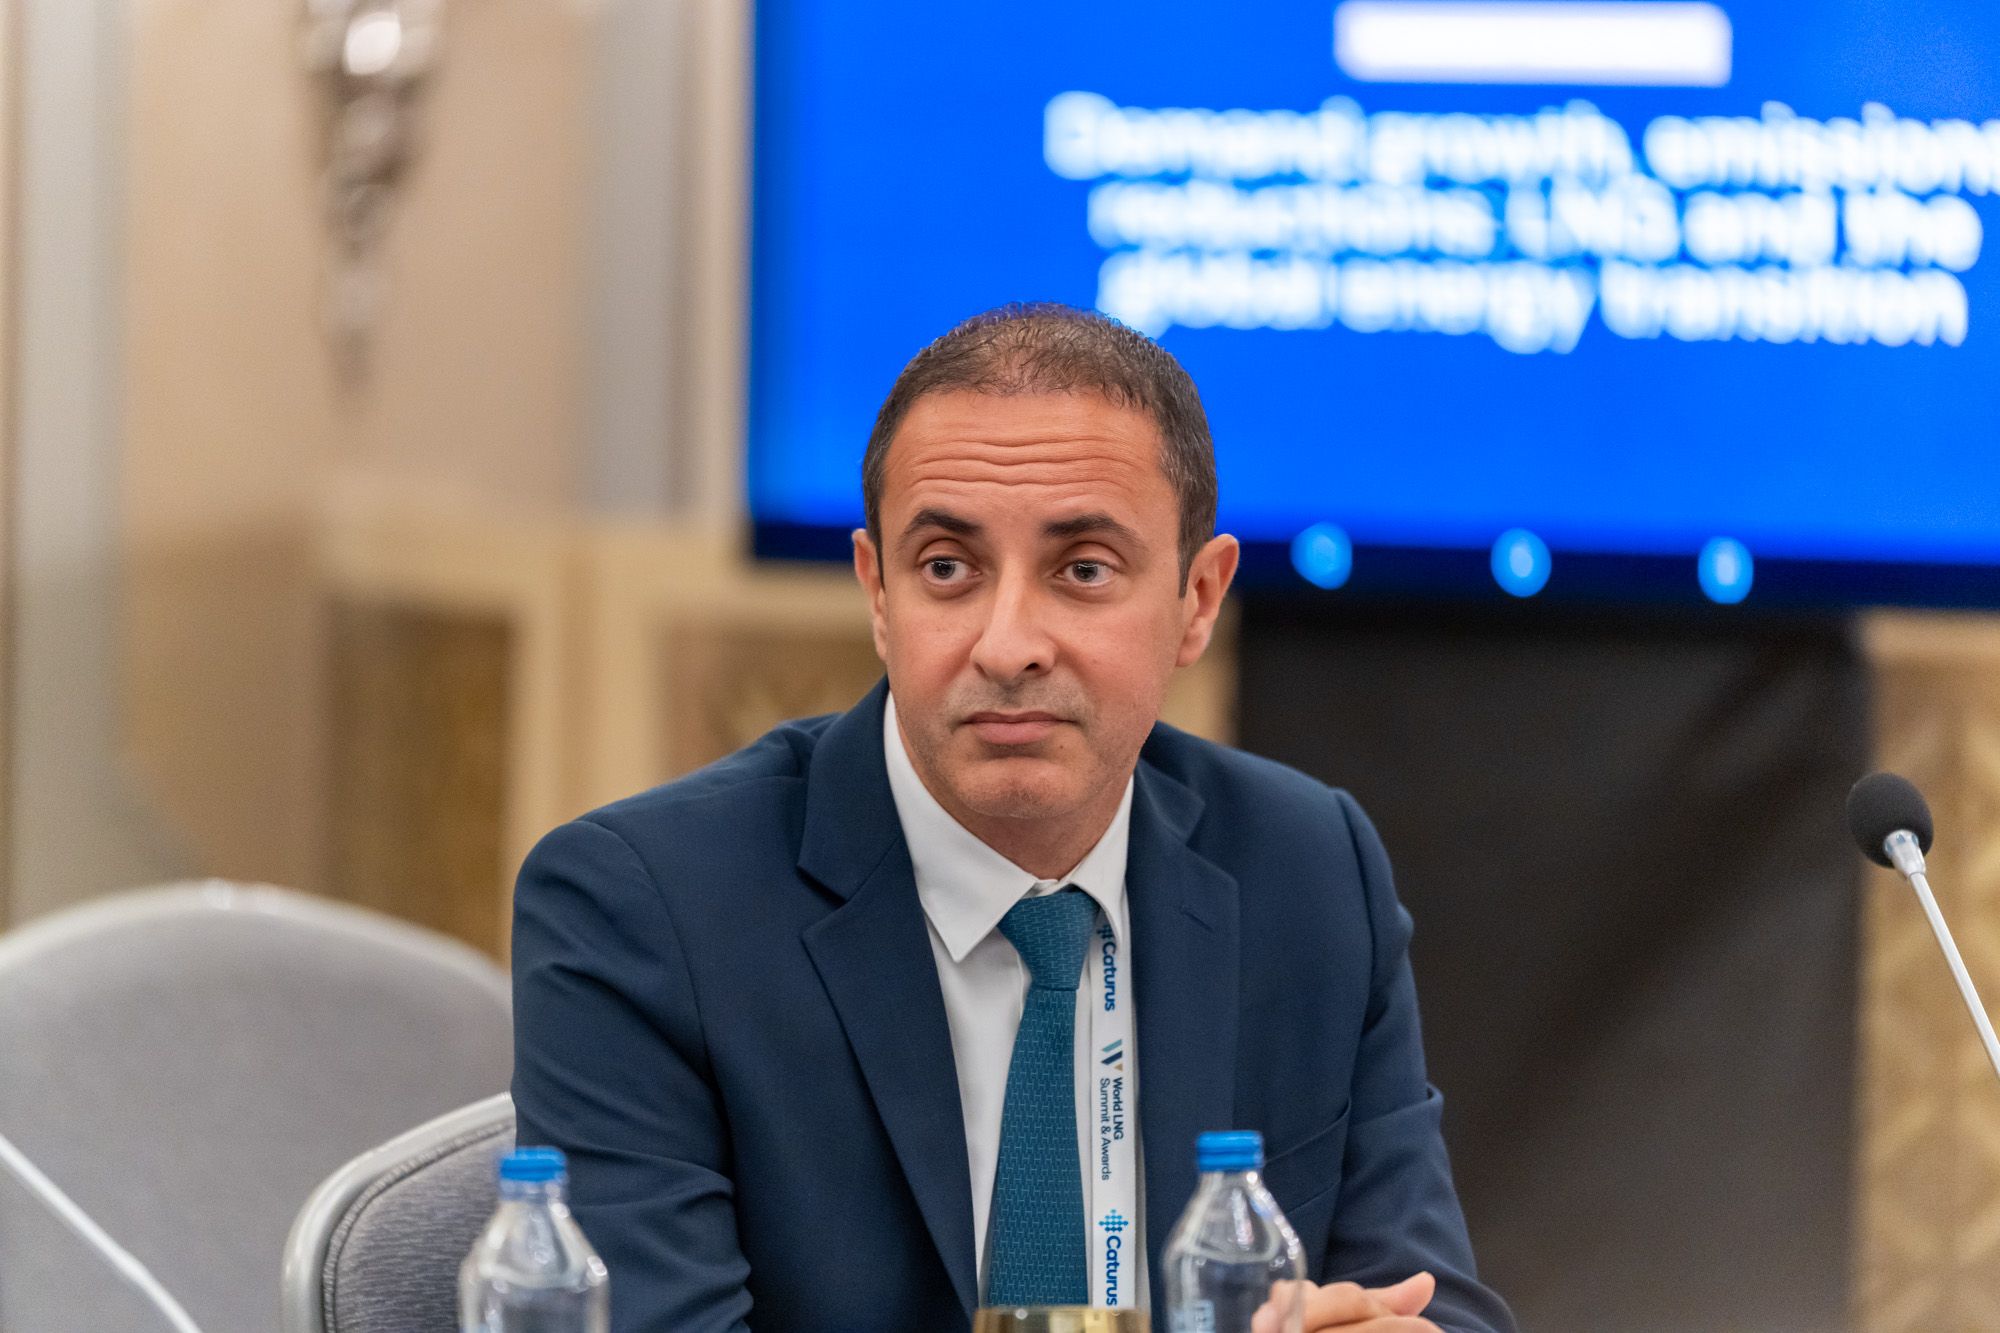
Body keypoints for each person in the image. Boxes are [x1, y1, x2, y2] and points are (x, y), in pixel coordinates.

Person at [511, 304, 1514, 1333]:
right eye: (947, 567)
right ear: (877, 593)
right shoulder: (645, 909)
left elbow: (1429, 1294)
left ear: (1198, 599)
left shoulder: (1306, 867)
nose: (1007, 645)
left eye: (1083, 570)